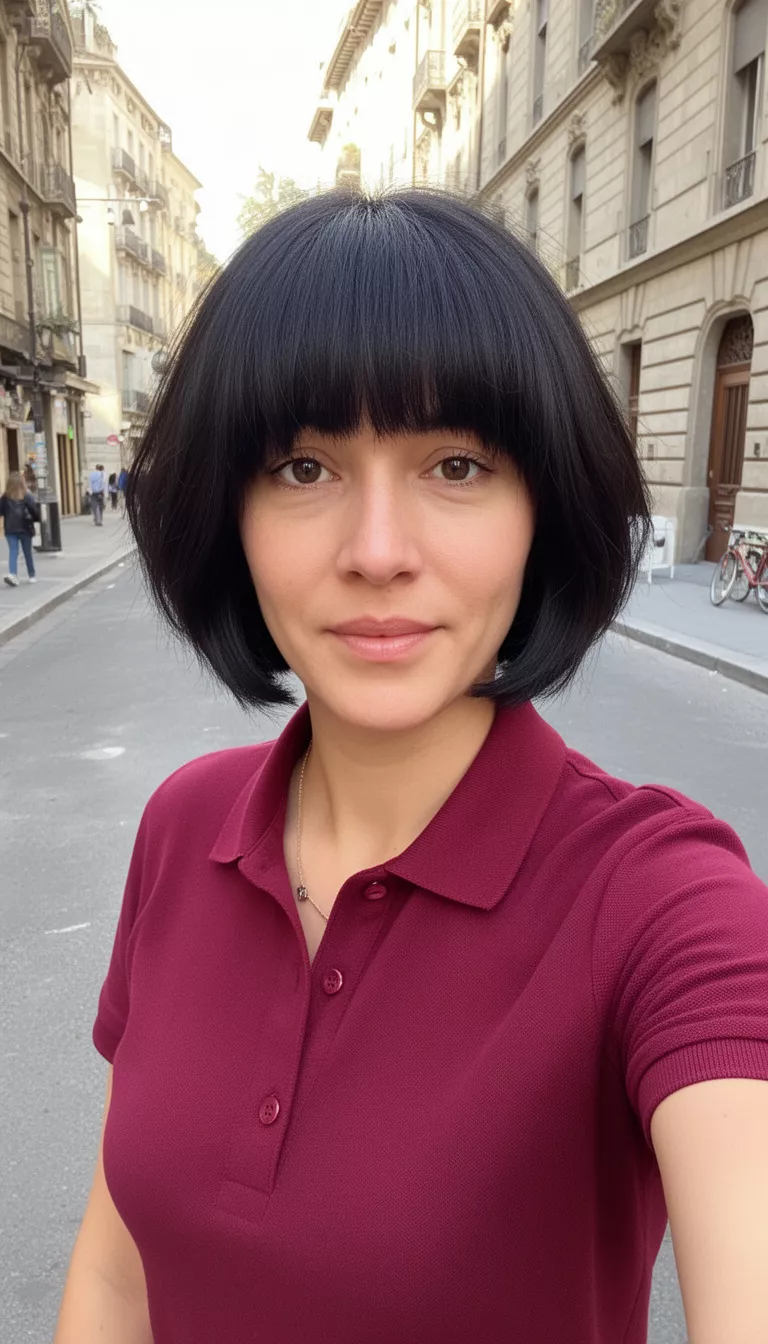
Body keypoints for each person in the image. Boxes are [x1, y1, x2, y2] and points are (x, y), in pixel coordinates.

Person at [54, 190, 768, 1344]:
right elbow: (117, 1274)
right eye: (301, 469)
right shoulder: (185, 829)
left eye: (455, 464)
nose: (378, 553)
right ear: (225, 512)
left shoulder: (660, 903)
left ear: (545, 504)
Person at [1, 470, 40, 586]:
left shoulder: (5, 497)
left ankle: (13, 574)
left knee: (13, 551)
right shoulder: (27, 495)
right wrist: (36, 520)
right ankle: (31, 575)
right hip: (25, 527)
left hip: (10, 529)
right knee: (27, 552)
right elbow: (35, 511)